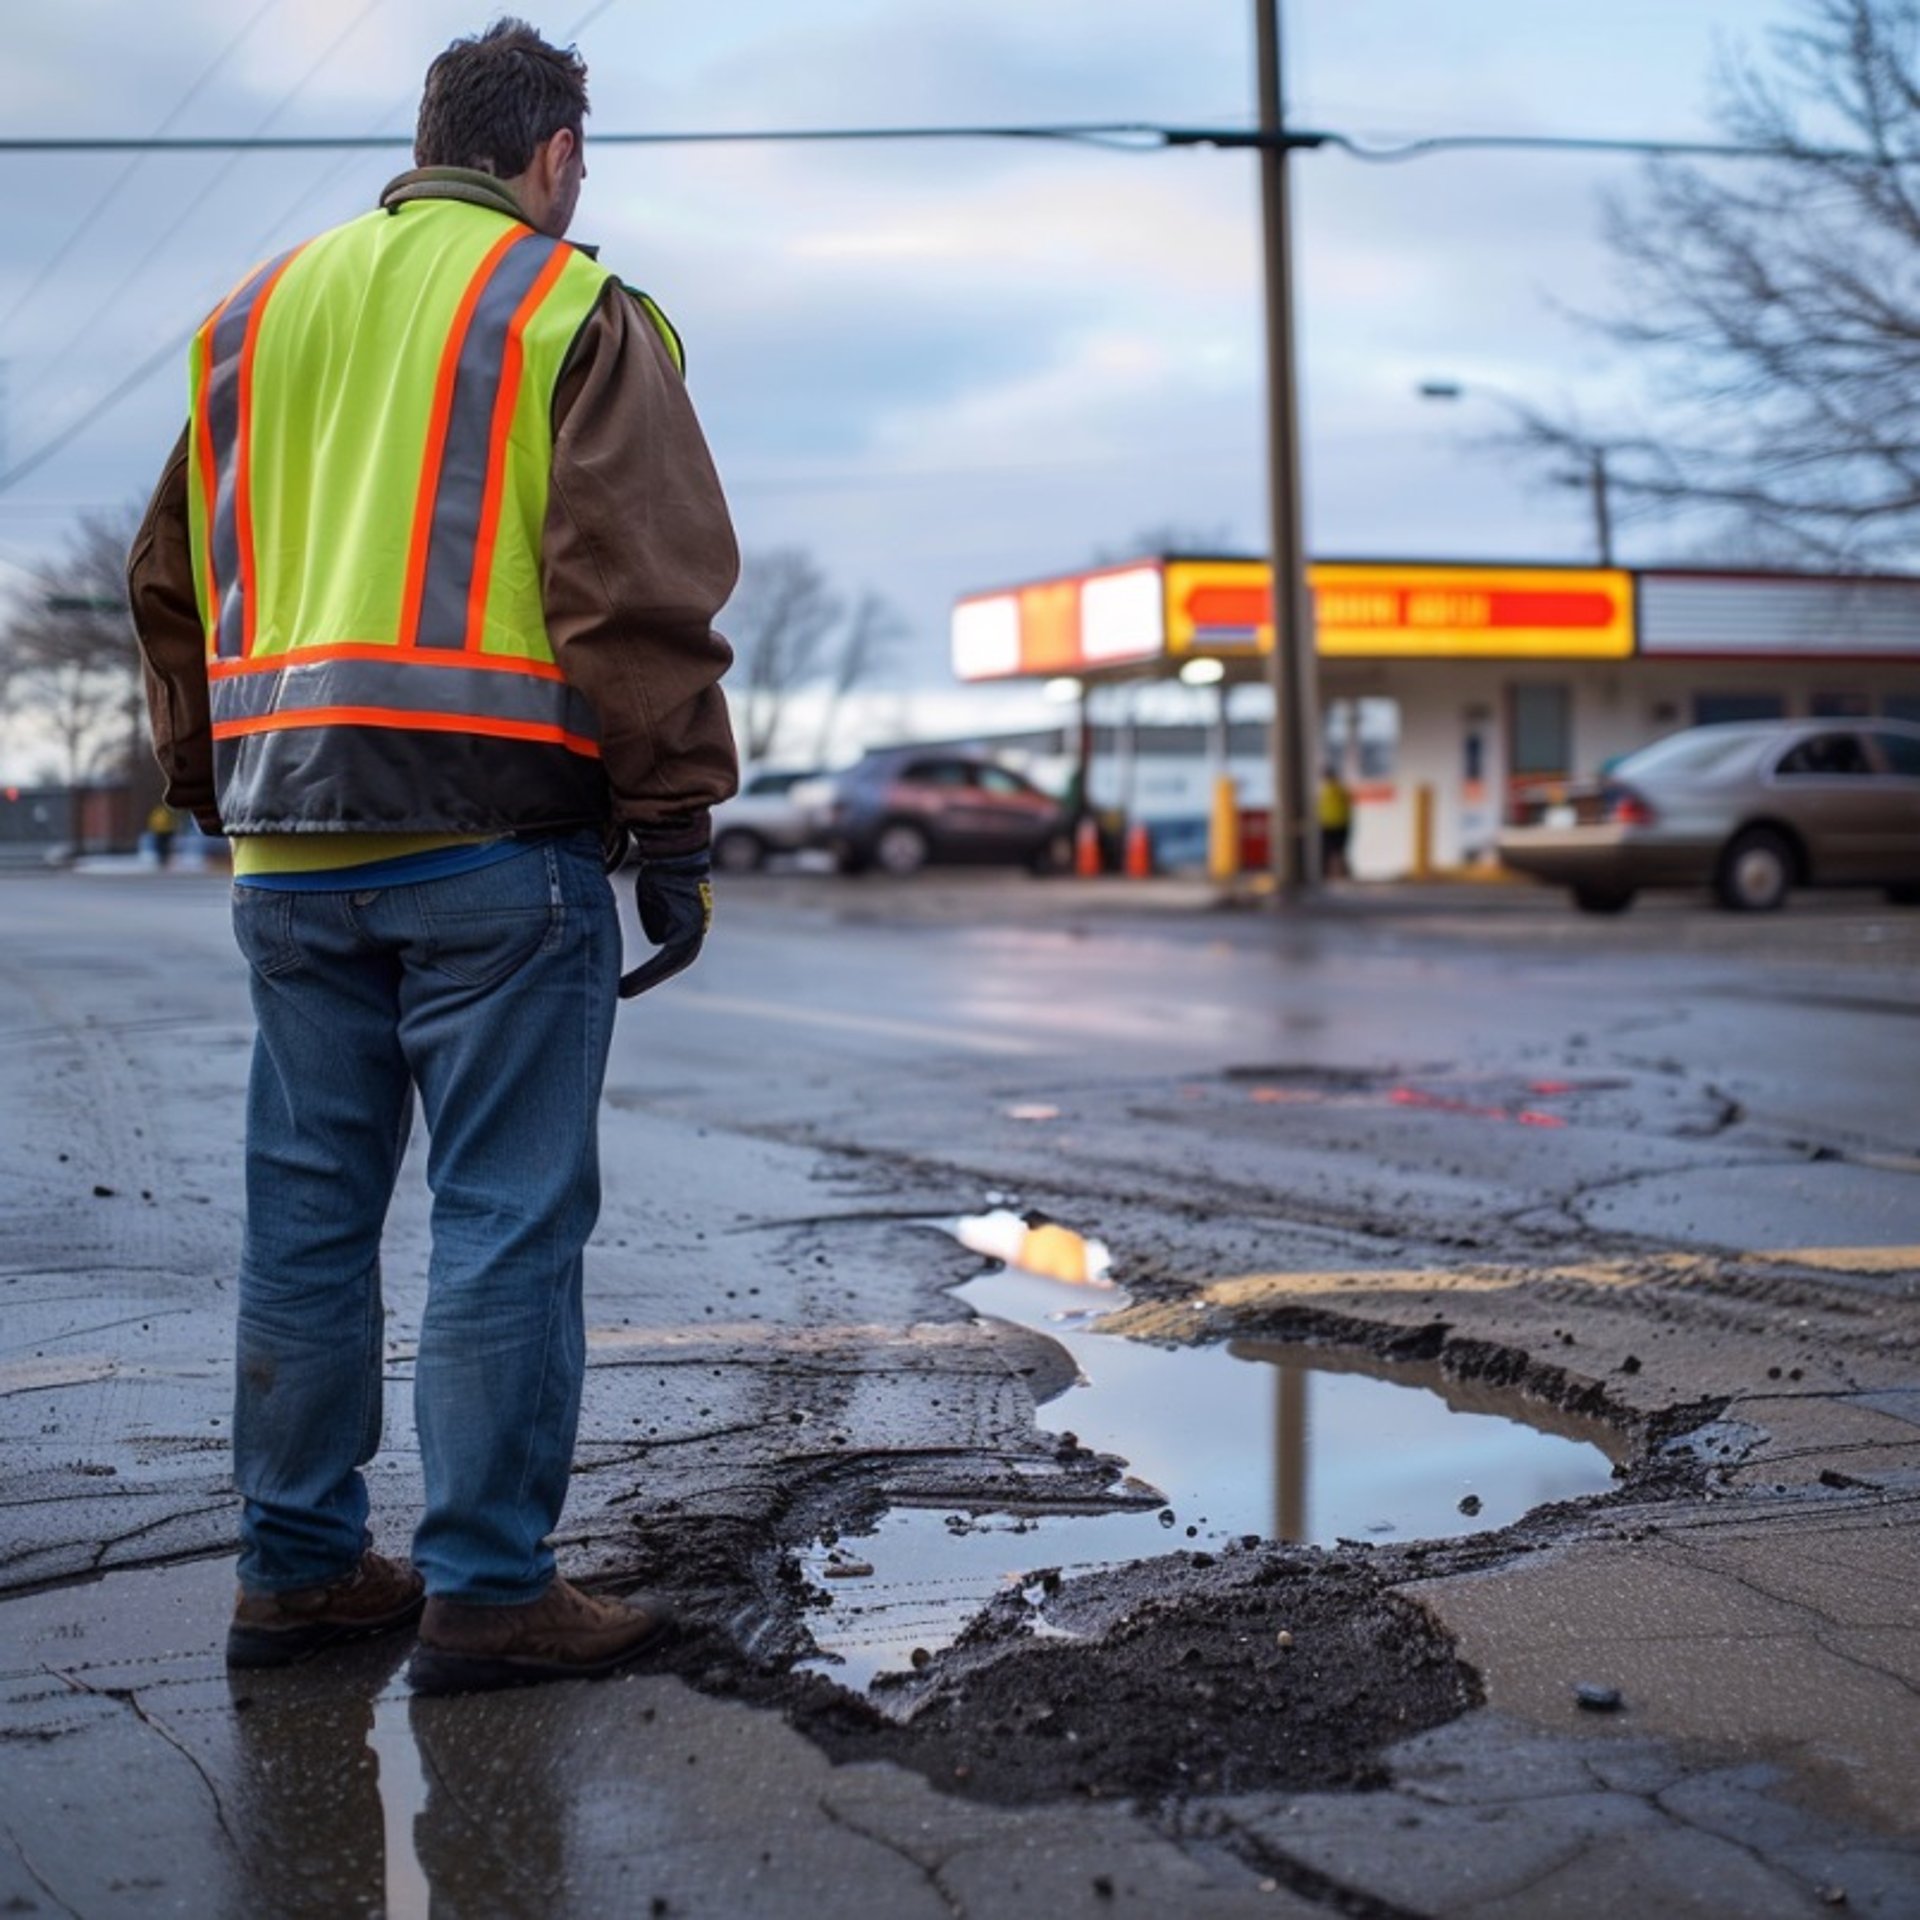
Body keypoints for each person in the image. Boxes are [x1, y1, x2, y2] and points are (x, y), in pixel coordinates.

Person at [127, 19, 738, 1692]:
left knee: (308, 1217)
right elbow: (638, 584)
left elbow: (170, 581)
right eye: (578, 168)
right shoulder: (563, 308)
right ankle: (486, 1587)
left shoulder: (255, 318)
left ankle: (299, 1570)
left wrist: (216, 784)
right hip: (497, 841)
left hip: (289, 845)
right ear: (549, 157)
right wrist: (673, 818)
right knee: (502, 1218)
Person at [1318, 762, 1353, 879]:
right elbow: (1348, 807)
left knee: (1327, 853)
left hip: (1328, 825)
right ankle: (1343, 874)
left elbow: (1319, 808)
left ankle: (1327, 875)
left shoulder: (1325, 791)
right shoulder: (1341, 789)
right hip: (1341, 825)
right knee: (1340, 852)